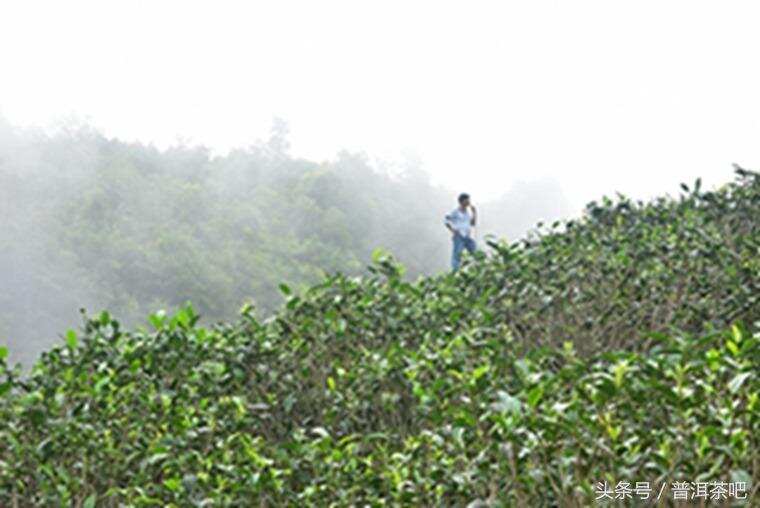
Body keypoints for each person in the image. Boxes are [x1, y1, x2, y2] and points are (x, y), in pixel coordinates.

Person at [445, 193, 477, 271]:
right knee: (457, 254)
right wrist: (453, 230)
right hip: (459, 236)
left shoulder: (467, 213)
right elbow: (446, 221)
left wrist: (474, 213)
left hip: (467, 236)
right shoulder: (455, 212)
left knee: (475, 251)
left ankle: (477, 267)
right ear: (462, 201)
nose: (469, 202)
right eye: (467, 200)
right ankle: (455, 271)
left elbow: (472, 224)